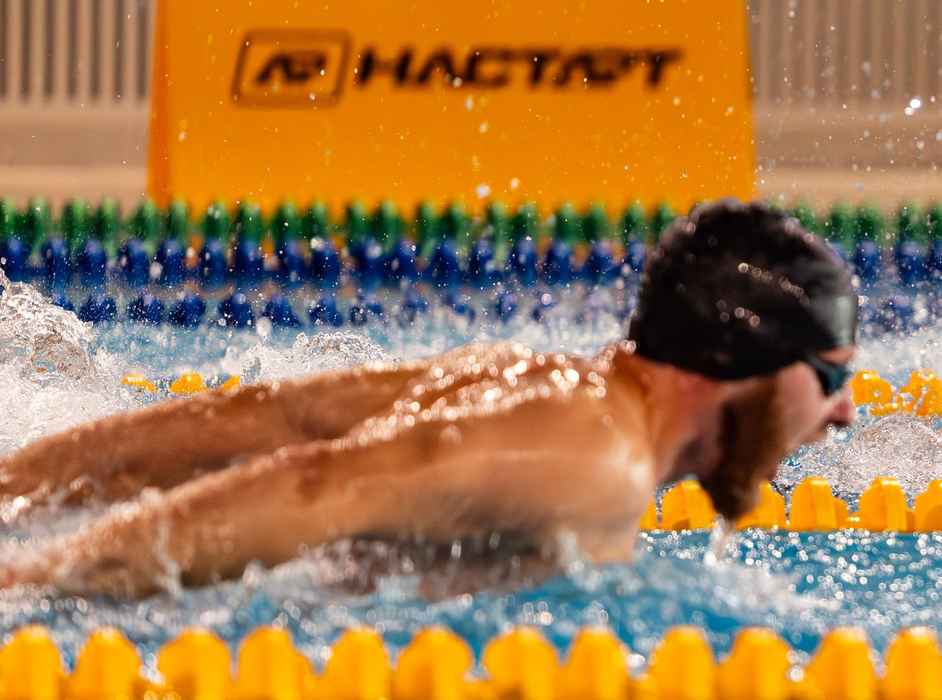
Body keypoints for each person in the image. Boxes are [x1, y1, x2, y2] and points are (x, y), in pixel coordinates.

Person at [0, 201, 857, 599]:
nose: (844, 412)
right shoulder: (597, 457)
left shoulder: (526, 377)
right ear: (735, 355)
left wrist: (13, 491)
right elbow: (314, 483)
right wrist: (28, 581)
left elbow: (257, 418)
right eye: (829, 377)